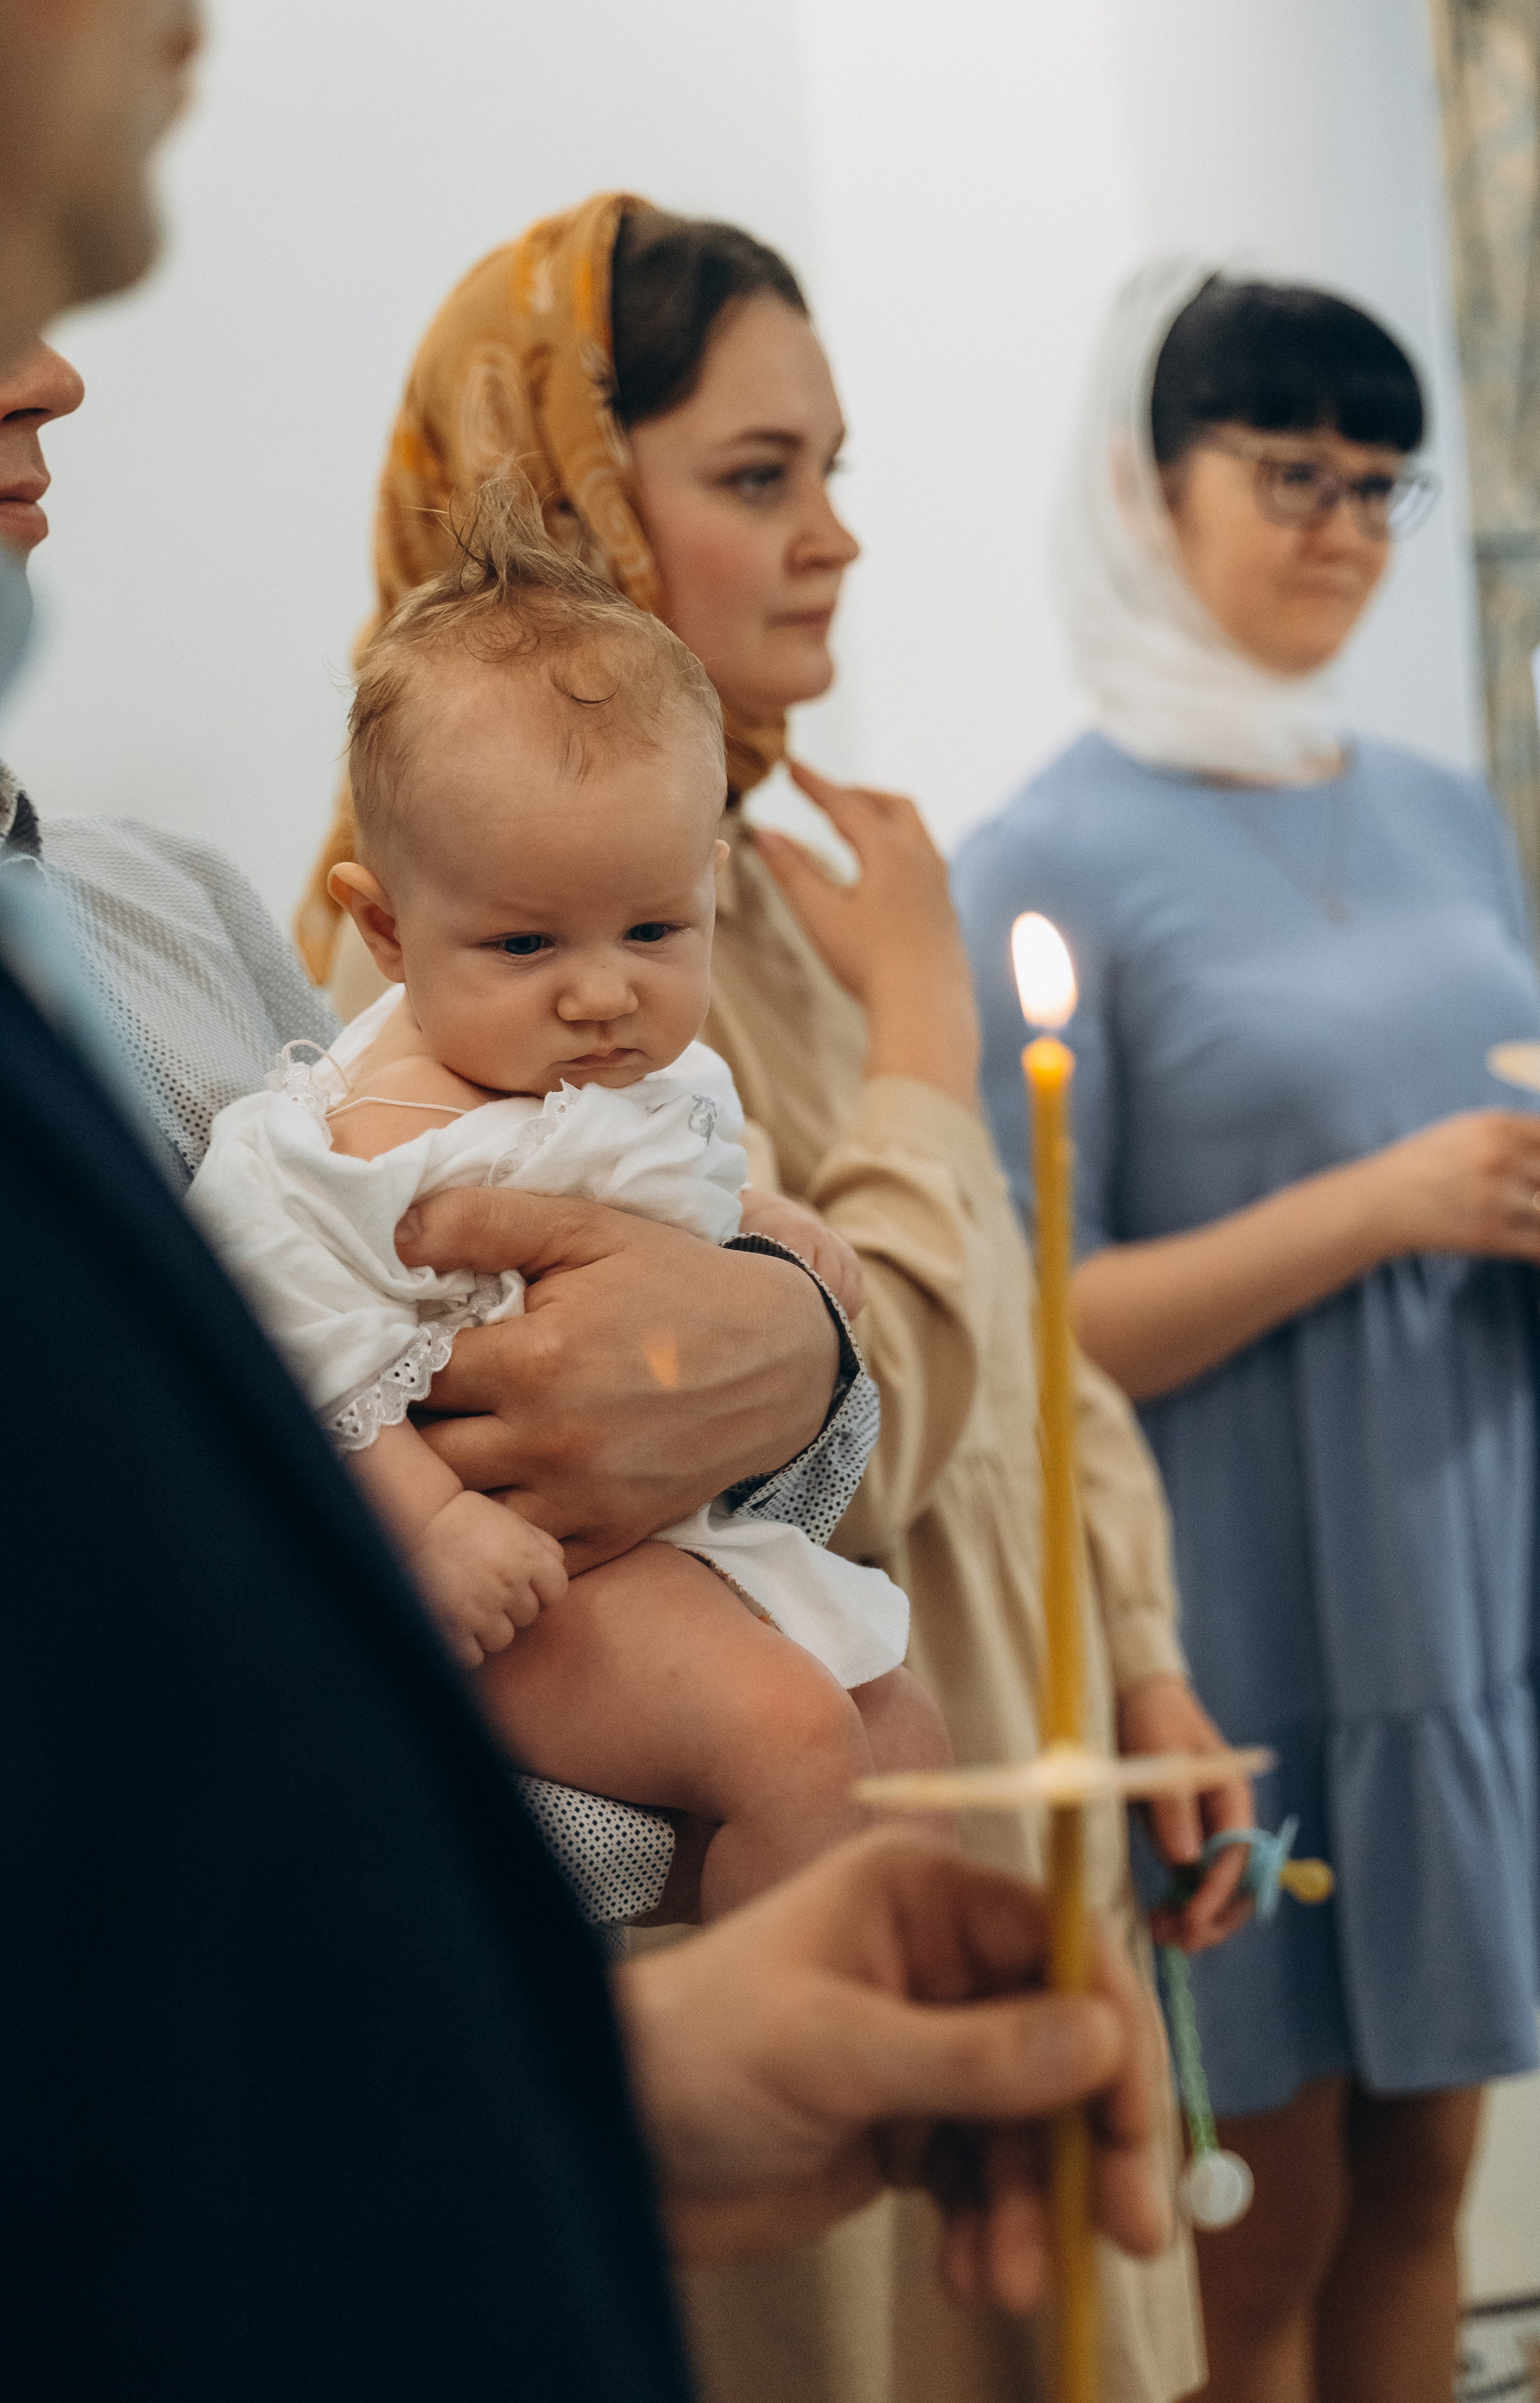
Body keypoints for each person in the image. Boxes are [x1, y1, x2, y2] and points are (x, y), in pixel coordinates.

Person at [0, 6, 1178, 2390]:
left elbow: (803, 1409)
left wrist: (807, 1337)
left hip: (534, 2062)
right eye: (761, 470)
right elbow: (368, 1544)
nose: (60, 389)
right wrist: (914, 1120)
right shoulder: (451, 942)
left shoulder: (181, 915)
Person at [296, 192, 1255, 2403]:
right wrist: (927, 1044)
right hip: (751, 1855)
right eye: (758, 476)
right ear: (556, 492)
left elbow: (1010, 1331)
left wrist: (1146, 1649)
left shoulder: (768, 880)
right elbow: (729, 1411)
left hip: (971, 1726)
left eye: (835, 470)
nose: (833, 537)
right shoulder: (452, 971)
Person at [954, 261, 1540, 2403]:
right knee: (1273, 2221)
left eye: (1383, 484)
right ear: (1154, 482)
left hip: (1470, 1565)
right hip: (1245, 1612)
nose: (1343, 525)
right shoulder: (1048, 853)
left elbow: (1521, 1124)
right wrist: (1390, 1202)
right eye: (1293, 470)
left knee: (1431, 2169)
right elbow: (1031, 1335)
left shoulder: (1432, 803)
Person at [194, 498, 947, 1914]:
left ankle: (885, 2089)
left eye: (653, 931)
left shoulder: (652, 1070)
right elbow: (287, 1363)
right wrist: (427, 1525)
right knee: (789, 1740)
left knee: (903, 1734)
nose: (601, 991)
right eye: (527, 942)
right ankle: (790, 2115)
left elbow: (675, 1192)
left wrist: (768, 1234)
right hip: (497, 1580)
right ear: (383, 929)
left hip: (666, 1536)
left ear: (705, 889)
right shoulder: (345, 1145)